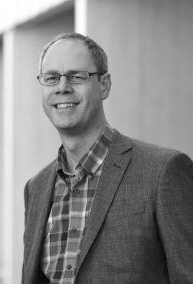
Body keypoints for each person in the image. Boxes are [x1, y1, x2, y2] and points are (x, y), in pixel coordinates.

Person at [22, 32, 193, 284]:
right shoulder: (35, 188)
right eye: (51, 78)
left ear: (104, 85)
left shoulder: (163, 172)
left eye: (76, 76)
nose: (62, 87)